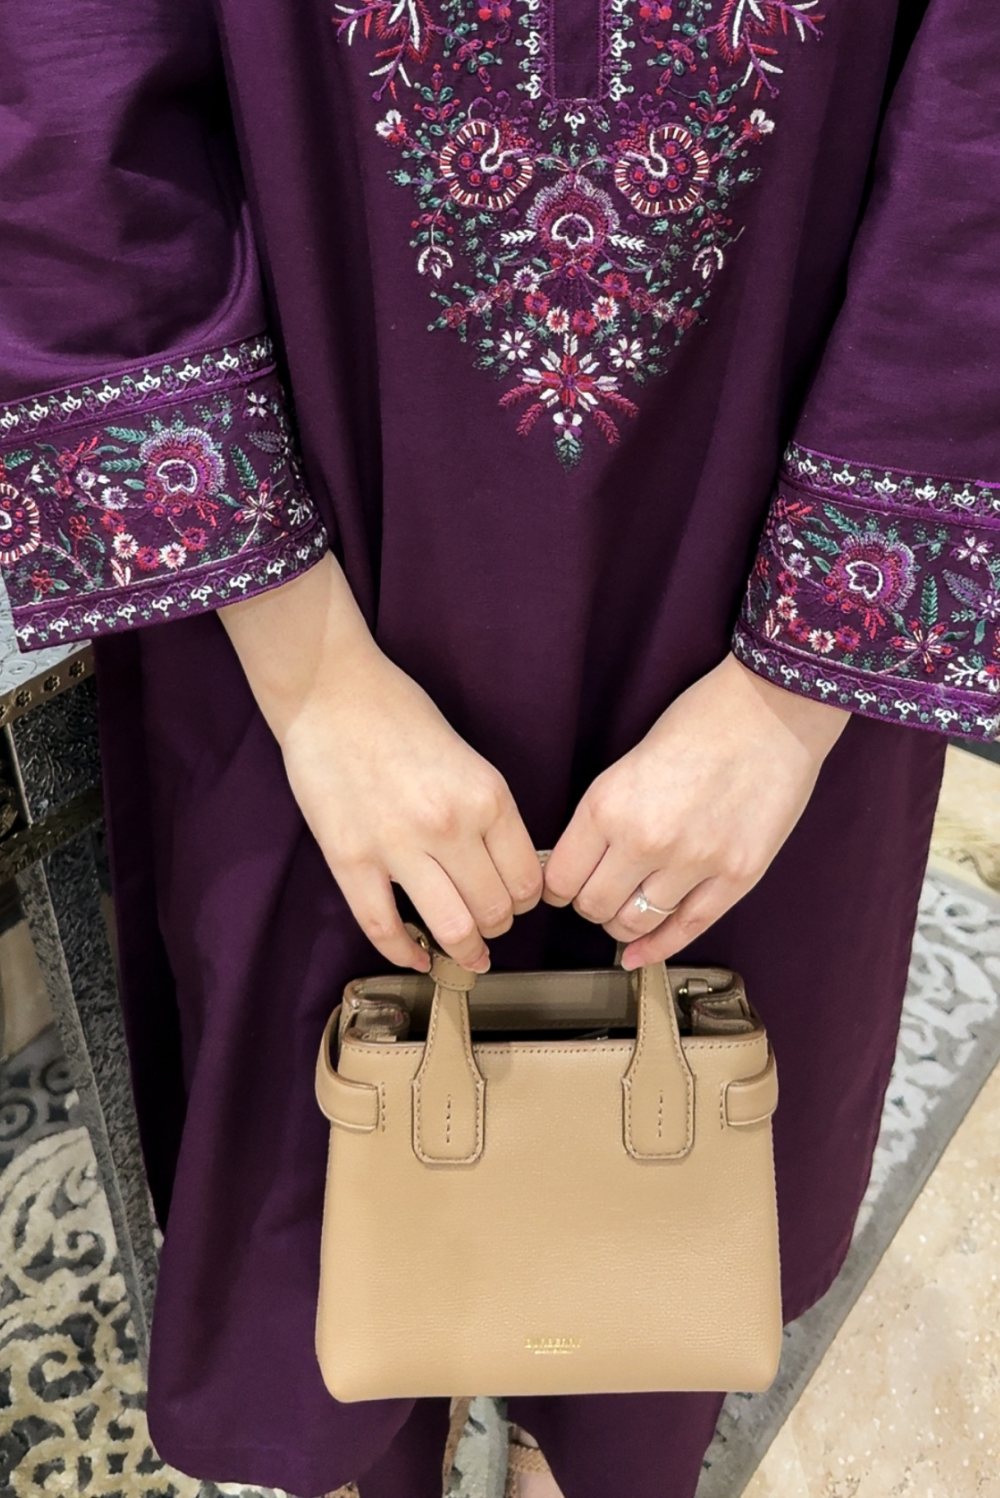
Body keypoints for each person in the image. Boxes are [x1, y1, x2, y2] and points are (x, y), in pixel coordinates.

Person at [1, 0, 996, 1494]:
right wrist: (316, 681)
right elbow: (76, 103)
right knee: (332, 1172)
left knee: (675, 1182)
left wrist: (789, 702)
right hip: (317, 553)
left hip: (767, 574)